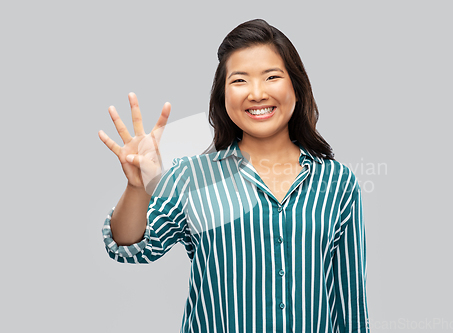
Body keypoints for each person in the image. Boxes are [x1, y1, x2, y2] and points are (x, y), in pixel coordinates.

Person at [99, 19, 370, 333]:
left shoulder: (337, 182)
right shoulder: (192, 176)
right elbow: (130, 248)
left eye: (272, 77)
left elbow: (351, 304)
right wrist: (138, 187)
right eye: (240, 81)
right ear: (223, 97)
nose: (256, 93)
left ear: (295, 87)